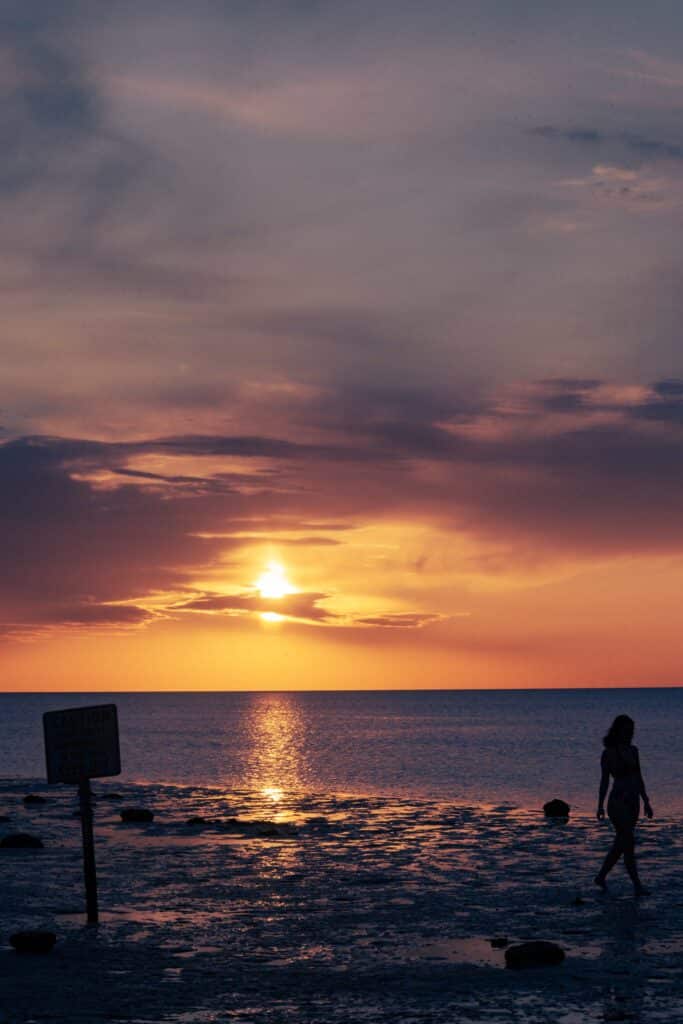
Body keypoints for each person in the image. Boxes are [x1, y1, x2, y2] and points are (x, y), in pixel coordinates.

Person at [595, 714, 653, 896]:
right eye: (627, 730)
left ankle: (601, 876)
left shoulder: (634, 750)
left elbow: (639, 776)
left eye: (632, 730)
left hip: (634, 801)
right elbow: (604, 781)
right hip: (618, 801)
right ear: (618, 730)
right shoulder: (608, 753)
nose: (630, 733)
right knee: (628, 842)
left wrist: (646, 801)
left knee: (621, 843)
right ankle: (637, 885)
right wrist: (600, 806)